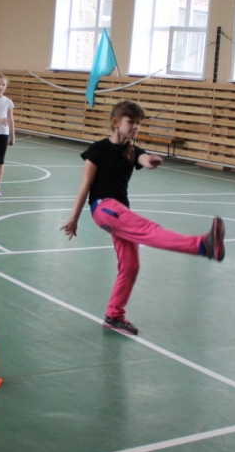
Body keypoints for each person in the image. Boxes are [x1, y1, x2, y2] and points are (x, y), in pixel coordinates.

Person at [61, 99, 225, 336]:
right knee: (149, 229)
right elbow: (85, 185)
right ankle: (202, 245)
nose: (136, 127)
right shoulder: (98, 149)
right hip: (104, 207)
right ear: (116, 122)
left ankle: (114, 316)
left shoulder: (133, 151)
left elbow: (144, 160)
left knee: (130, 266)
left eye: (138, 123)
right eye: (131, 122)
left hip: (119, 212)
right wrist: (74, 218)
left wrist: (152, 161)